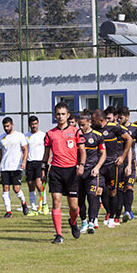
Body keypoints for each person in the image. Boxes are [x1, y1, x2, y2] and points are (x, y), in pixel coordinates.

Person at [43, 102, 86, 244]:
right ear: (54, 116)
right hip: (55, 170)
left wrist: (81, 165)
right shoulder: (50, 134)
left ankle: (73, 222)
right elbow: (47, 154)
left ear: (68, 115)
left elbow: (82, 151)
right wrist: (44, 169)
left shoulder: (76, 132)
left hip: (71, 171)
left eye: (63, 114)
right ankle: (59, 234)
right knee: (56, 201)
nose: (60, 117)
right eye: (58, 114)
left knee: (74, 207)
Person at [93, 108, 132, 227]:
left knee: (112, 191)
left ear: (101, 120)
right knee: (98, 191)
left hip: (112, 165)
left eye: (93, 121)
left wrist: (122, 156)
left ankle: (113, 217)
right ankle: (99, 216)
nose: (92, 123)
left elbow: (129, 139)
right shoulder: (94, 129)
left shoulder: (114, 127)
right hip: (99, 165)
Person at [77, 111, 106, 233]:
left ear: (89, 122)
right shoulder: (76, 136)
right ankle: (83, 221)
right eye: (79, 125)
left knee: (92, 196)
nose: (81, 127)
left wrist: (97, 167)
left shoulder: (97, 136)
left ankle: (91, 222)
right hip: (78, 172)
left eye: (83, 125)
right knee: (80, 199)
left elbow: (103, 154)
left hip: (92, 172)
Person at [0, 116, 29, 219]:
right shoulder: (1, 138)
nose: (6, 128)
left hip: (16, 166)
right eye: (4, 126)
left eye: (8, 126)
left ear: (12, 125)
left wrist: (24, 161)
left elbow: (25, 149)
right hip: (5, 167)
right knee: (5, 188)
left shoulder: (19, 136)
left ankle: (23, 203)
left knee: (16, 189)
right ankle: (8, 212)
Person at [117, 106, 137, 221]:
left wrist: (130, 164)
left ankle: (128, 211)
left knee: (129, 186)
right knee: (120, 188)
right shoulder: (116, 129)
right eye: (118, 117)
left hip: (131, 162)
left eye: (121, 118)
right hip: (118, 163)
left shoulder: (135, 128)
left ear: (127, 117)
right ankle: (118, 212)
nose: (119, 120)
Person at [25, 116, 47, 216]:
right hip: (30, 162)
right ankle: (33, 208)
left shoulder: (43, 135)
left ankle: (44, 204)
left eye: (35, 124)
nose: (34, 126)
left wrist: (46, 163)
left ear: (38, 123)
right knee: (30, 185)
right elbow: (24, 151)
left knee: (39, 184)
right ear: (29, 125)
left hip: (39, 162)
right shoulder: (26, 136)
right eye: (32, 124)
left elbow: (47, 150)